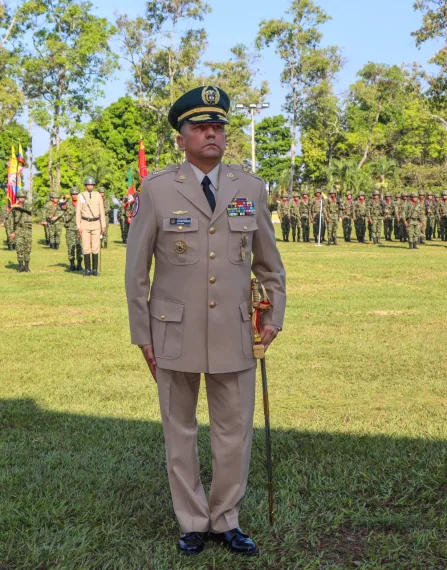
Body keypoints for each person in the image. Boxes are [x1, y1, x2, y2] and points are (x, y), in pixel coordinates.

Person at [124, 85, 285, 557]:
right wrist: (142, 335)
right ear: (181, 138)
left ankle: (226, 518)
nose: (211, 134)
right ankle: (192, 520)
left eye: (218, 127)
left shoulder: (250, 188)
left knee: (234, 430)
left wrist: (272, 316)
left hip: (236, 329)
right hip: (172, 331)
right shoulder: (156, 190)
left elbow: (268, 264)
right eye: (200, 127)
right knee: (181, 429)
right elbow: (137, 272)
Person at [76, 177, 107, 276]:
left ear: (94, 186)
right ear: (85, 185)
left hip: (96, 224)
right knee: (85, 247)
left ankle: (94, 269)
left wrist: (103, 224)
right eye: (88, 185)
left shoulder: (98, 195)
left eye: (92, 185)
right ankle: (87, 270)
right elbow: (78, 212)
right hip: (85, 223)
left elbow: (102, 210)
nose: (90, 186)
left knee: (95, 247)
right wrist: (78, 226)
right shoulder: (81, 195)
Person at [8, 194, 33, 272]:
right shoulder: (14, 209)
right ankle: (20, 266)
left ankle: (27, 266)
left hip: (28, 230)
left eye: (23, 197)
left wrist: (18, 206)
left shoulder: (28, 205)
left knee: (28, 249)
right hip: (18, 230)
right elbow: (10, 221)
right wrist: (12, 232)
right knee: (19, 249)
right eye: (20, 197)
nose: (21, 198)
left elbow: (30, 209)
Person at [64, 189, 81, 272]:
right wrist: (65, 199)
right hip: (70, 228)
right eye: (73, 194)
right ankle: (72, 265)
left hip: (80, 229)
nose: (75, 195)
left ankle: (79, 264)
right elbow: (60, 207)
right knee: (70, 246)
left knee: (80, 246)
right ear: (71, 195)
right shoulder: (67, 204)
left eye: (76, 194)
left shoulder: (83, 204)